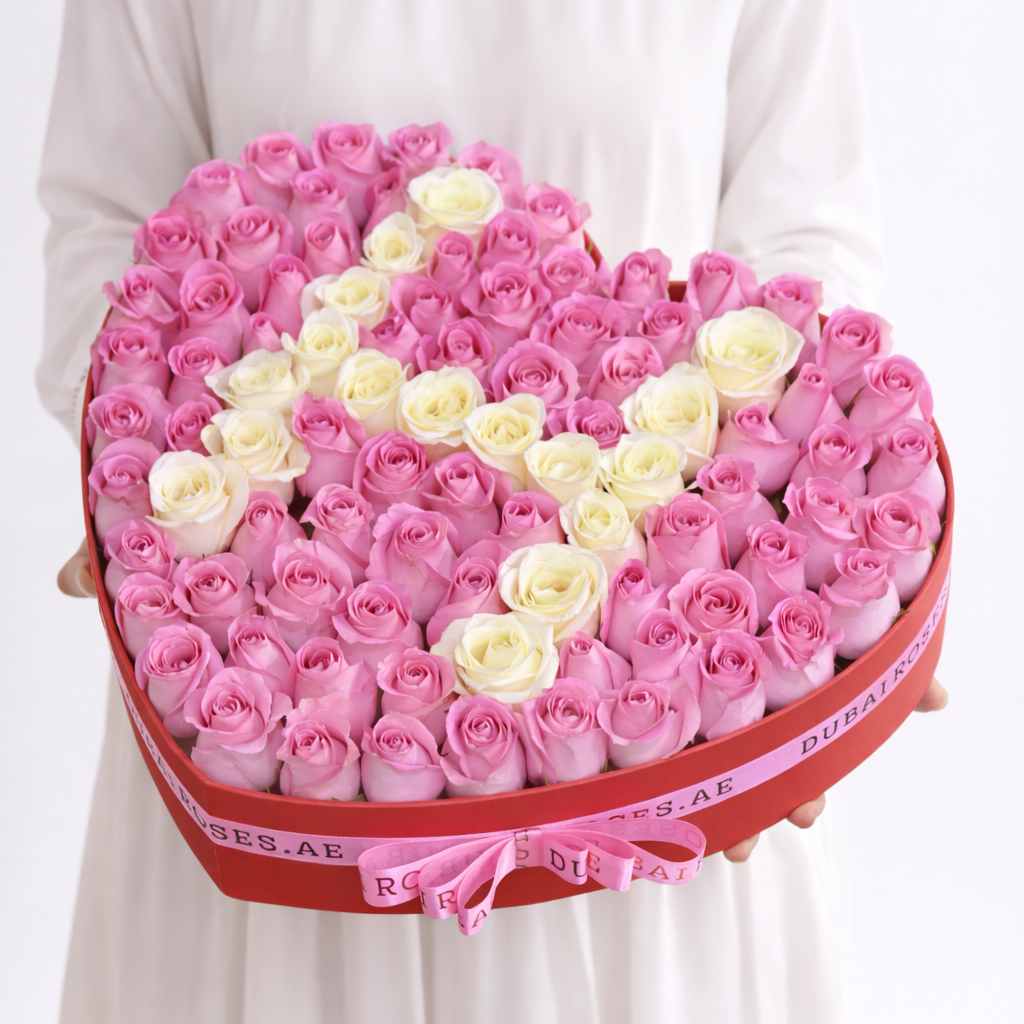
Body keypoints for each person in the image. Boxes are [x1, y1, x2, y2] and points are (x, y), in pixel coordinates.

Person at [43, 2, 947, 1022]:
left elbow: (807, 227)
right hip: (275, 793)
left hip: (668, 752)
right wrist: (133, 481)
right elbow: (104, 220)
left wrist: (810, 650)